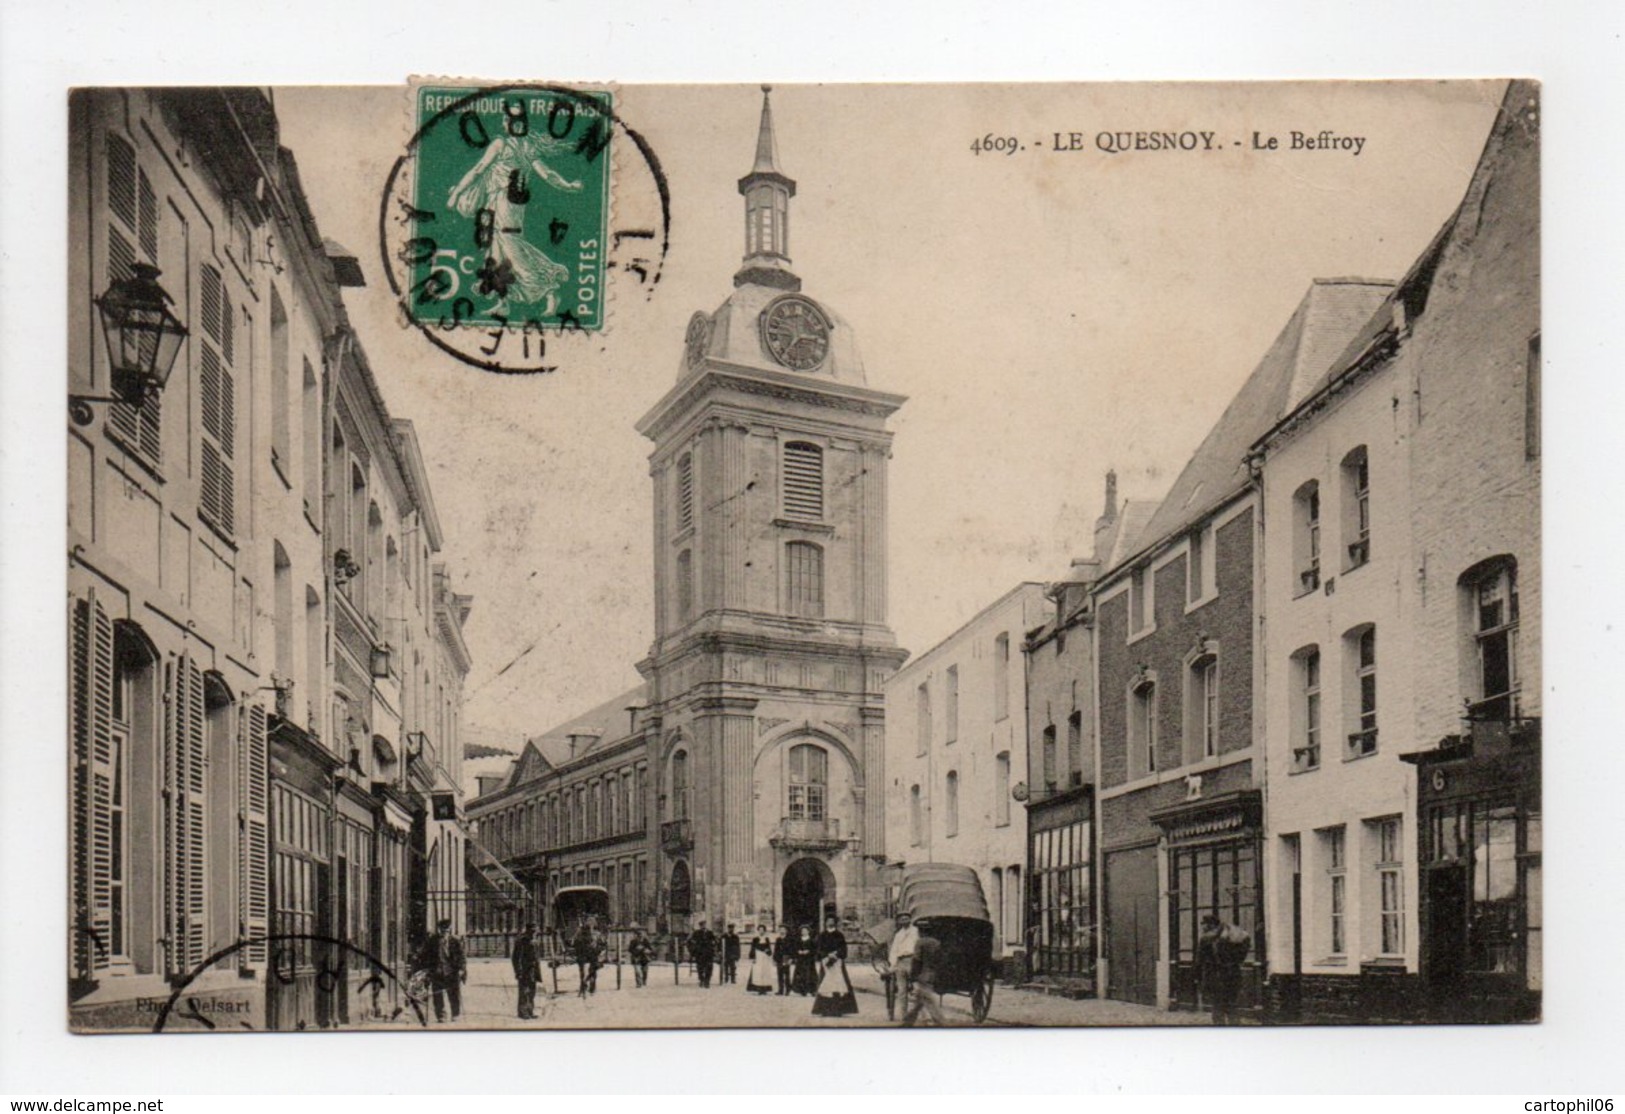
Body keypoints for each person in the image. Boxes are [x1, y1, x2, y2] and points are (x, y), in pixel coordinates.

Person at [444, 129, 583, 318]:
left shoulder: (502, 144)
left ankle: (550, 290)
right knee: (495, 250)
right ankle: (503, 302)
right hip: (503, 202)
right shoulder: (527, 146)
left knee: (511, 246)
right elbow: (547, 174)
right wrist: (567, 185)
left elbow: (478, 169)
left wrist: (456, 193)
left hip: (505, 202)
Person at [1196, 914, 1249, 1024]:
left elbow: (1200, 960)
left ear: (1210, 925)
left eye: (1204, 924)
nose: (1203, 927)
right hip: (1234, 975)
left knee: (1217, 1006)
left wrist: (1198, 977)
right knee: (1232, 1005)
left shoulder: (1206, 938)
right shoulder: (1232, 936)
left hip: (1216, 977)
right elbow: (1242, 955)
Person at [417, 918, 467, 1024]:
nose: (445, 932)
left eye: (447, 930)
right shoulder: (432, 941)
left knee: (453, 993)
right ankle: (441, 1015)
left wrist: (461, 969)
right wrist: (427, 969)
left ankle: (455, 1014)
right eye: (443, 930)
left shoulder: (455, 941)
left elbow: (462, 957)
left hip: (451, 972)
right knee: (437, 995)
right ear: (439, 929)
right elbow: (425, 955)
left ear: (450, 929)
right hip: (437, 972)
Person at [811, 914, 859, 1017]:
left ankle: (839, 1010)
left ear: (835, 923)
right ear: (825, 922)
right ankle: (824, 1009)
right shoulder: (822, 935)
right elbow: (818, 949)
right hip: (826, 962)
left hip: (837, 962)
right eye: (828, 921)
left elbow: (843, 949)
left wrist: (836, 954)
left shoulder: (839, 935)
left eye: (832, 921)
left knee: (840, 983)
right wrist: (826, 955)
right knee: (825, 983)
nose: (830, 923)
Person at [901, 923, 946, 1027]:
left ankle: (940, 1022)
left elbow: (917, 960)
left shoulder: (920, 942)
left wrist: (913, 976)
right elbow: (941, 960)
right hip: (933, 974)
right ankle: (908, 1022)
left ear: (921, 931)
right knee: (920, 999)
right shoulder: (937, 943)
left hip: (923, 975)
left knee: (927, 999)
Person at [886, 910, 920, 1019]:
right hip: (900, 962)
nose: (904, 920)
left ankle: (917, 1014)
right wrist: (893, 964)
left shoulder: (916, 931)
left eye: (906, 918)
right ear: (899, 921)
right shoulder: (898, 934)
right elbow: (894, 950)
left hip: (912, 960)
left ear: (910, 919)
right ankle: (904, 1015)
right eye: (902, 919)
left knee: (917, 988)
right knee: (902, 990)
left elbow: (919, 946)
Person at [511, 922, 542, 1020]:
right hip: (524, 969)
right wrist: (518, 971)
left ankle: (530, 1011)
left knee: (532, 991)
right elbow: (516, 957)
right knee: (524, 991)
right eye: (533, 930)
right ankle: (522, 1012)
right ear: (528, 930)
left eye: (535, 931)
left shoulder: (535, 941)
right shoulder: (521, 941)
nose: (535, 932)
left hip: (533, 969)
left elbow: (537, 957)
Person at [572, 921, 604, 999]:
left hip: (585, 955)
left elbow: (573, 944)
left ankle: (585, 983)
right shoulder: (594, 934)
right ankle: (588, 983)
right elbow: (601, 944)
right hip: (588, 955)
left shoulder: (579, 934)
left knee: (587, 969)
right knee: (592, 968)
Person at [745, 925, 777, 994]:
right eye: (760, 930)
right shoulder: (755, 939)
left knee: (764, 972)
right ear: (758, 930)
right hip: (758, 956)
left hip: (765, 957)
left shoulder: (766, 939)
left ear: (764, 931)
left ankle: (764, 989)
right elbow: (752, 948)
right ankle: (757, 988)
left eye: (762, 930)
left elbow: (769, 949)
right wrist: (753, 957)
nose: (761, 931)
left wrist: (767, 951)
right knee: (757, 972)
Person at [790, 924, 819, 996]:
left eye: (805, 931)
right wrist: (798, 951)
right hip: (800, 959)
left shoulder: (811, 940)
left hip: (809, 960)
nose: (804, 932)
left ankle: (810, 990)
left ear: (808, 932)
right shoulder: (798, 940)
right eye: (802, 931)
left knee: (809, 974)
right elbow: (795, 948)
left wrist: (809, 951)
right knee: (800, 974)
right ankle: (799, 991)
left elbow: (815, 950)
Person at [688, 922, 718, 988]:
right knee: (700, 968)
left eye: (704, 925)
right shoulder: (696, 933)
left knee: (709, 967)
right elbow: (690, 941)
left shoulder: (710, 933)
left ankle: (707, 981)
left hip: (708, 953)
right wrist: (692, 950)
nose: (703, 926)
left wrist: (713, 945)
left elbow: (715, 941)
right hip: (699, 953)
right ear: (700, 926)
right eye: (702, 925)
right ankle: (701, 980)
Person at [772, 924, 794, 996]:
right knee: (779, 974)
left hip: (786, 957)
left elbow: (792, 949)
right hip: (779, 958)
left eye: (783, 930)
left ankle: (788, 989)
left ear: (786, 931)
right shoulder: (778, 939)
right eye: (780, 930)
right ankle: (780, 990)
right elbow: (776, 950)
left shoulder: (790, 939)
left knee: (787, 974)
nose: (782, 931)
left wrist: (791, 958)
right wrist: (774, 959)